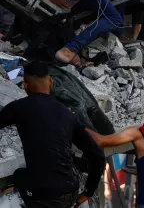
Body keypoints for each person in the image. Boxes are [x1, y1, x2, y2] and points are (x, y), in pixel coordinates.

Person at [0, 61, 105, 207]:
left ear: (25, 85)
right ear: (50, 82)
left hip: (43, 195)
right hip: (69, 191)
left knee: (20, 178)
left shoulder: (19, 107)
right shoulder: (67, 114)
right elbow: (98, 156)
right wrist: (88, 192)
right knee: (21, 176)